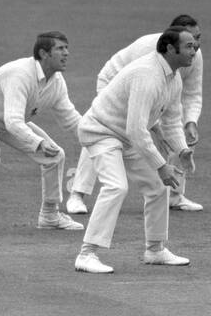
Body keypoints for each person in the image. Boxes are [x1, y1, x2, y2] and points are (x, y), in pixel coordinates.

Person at [73, 28, 198, 274]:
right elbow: (136, 129)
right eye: (189, 46)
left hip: (125, 135)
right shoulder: (147, 74)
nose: (195, 51)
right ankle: (86, 254)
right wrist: (161, 165)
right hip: (100, 131)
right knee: (116, 186)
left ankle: (155, 250)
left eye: (195, 46)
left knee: (158, 185)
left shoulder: (175, 77)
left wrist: (181, 150)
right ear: (170, 49)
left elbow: (171, 121)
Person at [0, 32, 85, 238]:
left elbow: (71, 119)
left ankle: (49, 215)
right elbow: (13, 122)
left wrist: (99, 137)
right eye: (60, 49)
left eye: (67, 48)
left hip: (5, 119)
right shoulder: (20, 74)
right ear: (44, 53)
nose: (66, 53)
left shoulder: (56, 82)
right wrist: (38, 142)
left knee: (55, 155)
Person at [68, 17, 206, 216]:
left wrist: (191, 121)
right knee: (104, 132)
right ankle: (77, 194)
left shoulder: (194, 56)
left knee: (175, 138)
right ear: (172, 42)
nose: (195, 45)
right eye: (190, 40)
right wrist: (156, 127)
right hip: (115, 85)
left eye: (198, 38)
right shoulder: (151, 51)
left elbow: (192, 93)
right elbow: (140, 91)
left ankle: (174, 195)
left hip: (156, 94)